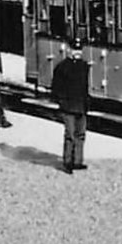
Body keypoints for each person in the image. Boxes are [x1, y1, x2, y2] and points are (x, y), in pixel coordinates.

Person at [51, 37, 90, 173]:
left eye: (79, 50)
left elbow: (85, 87)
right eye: (75, 49)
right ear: (69, 50)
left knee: (81, 134)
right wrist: (61, 103)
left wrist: (87, 104)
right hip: (68, 106)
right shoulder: (62, 67)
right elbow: (56, 88)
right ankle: (68, 161)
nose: (77, 52)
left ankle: (78, 161)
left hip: (81, 105)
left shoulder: (84, 66)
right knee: (70, 135)